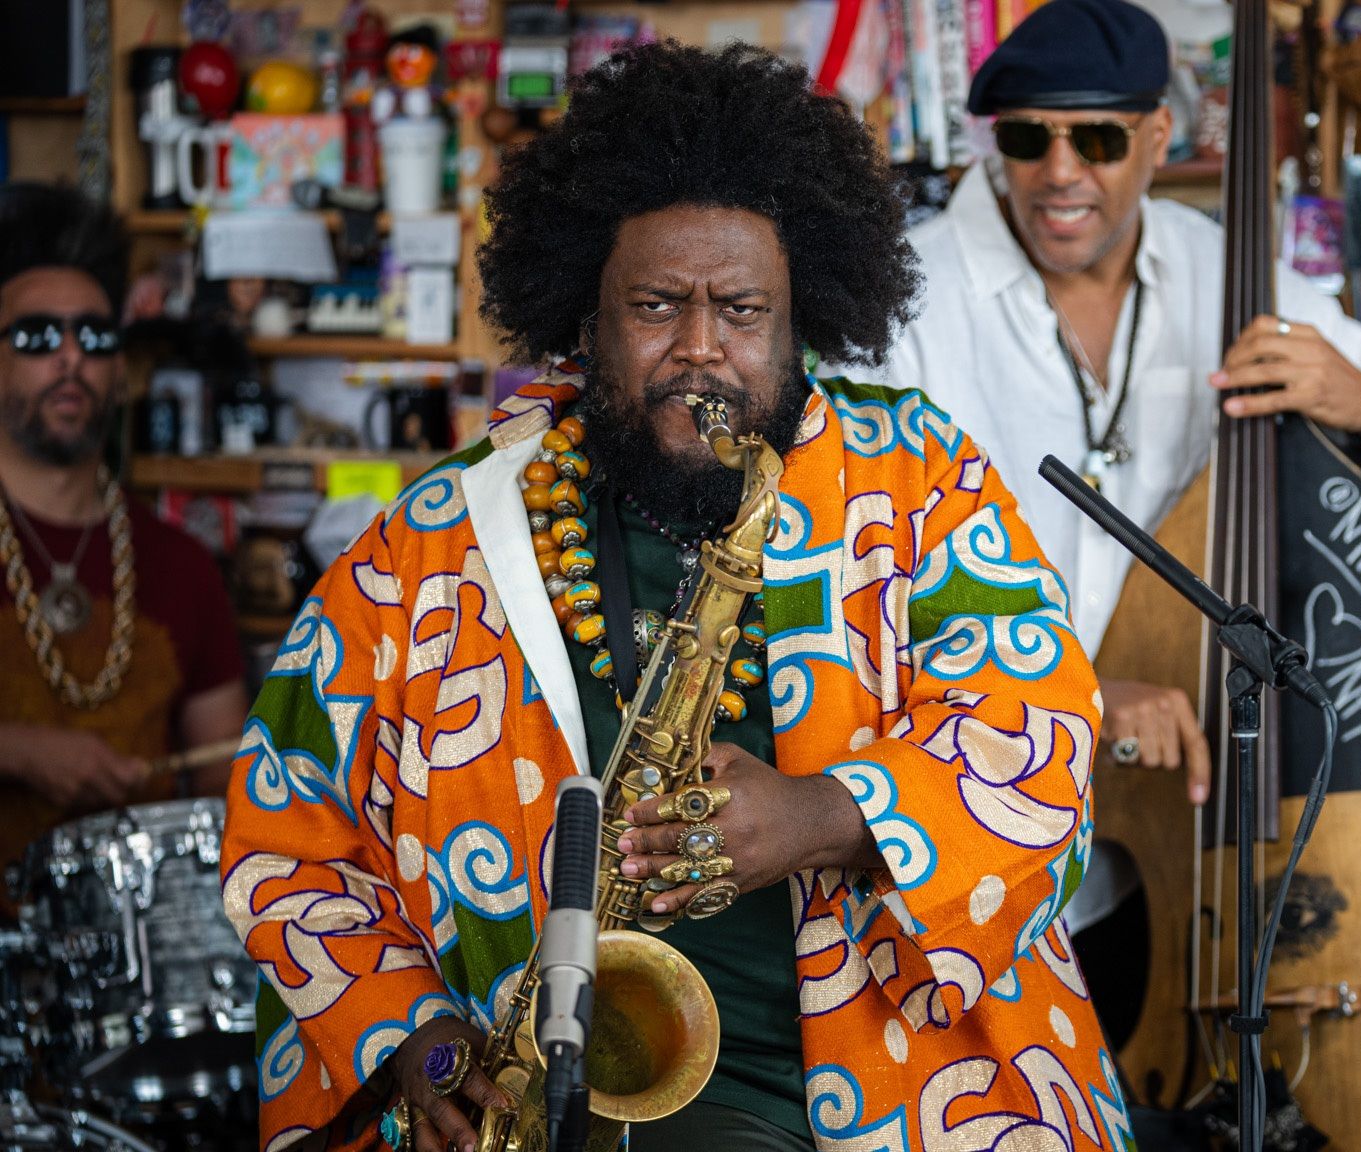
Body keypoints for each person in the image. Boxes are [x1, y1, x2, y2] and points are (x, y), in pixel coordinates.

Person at [222, 44, 1118, 1152]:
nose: (699, 351)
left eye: (740, 310)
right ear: (585, 321)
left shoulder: (920, 479)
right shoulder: (438, 532)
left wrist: (825, 816)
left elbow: (1042, 736)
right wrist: (414, 1041)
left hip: (897, 1092)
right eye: (654, 305)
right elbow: (288, 830)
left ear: (801, 324)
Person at [861, 0, 1361, 810]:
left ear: (1157, 137)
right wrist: (1072, 694)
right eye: (1026, 138)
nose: (1059, 172)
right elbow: (856, 581)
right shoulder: (900, 300)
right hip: (963, 791)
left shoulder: (1224, 271)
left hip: (1164, 813)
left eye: (1098, 140)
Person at [0, 184, 245, 916]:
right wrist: (22, 751)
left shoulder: (180, 566)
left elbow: (224, 782)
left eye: (96, 338)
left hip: (136, 964)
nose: (72, 358)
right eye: (40, 337)